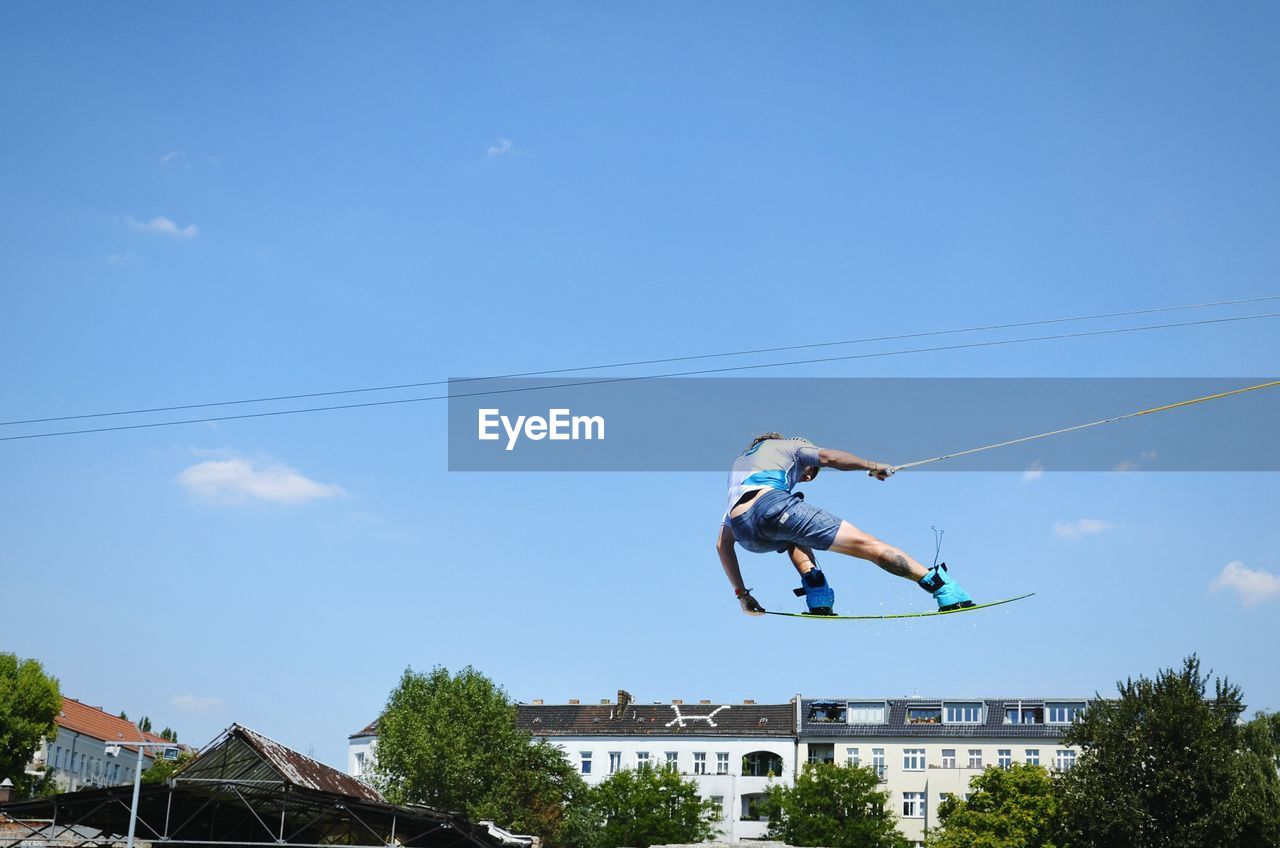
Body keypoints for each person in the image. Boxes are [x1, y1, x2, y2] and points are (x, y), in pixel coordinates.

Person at [716, 433, 974, 616]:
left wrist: (742, 595)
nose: (807, 476)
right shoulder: (790, 446)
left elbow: (722, 545)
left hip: (745, 530)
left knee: (792, 532)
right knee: (867, 545)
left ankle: (817, 592)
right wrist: (872, 466)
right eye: (808, 472)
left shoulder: (740, 469)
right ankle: (940, 586)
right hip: (772, 506)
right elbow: (828, 457)